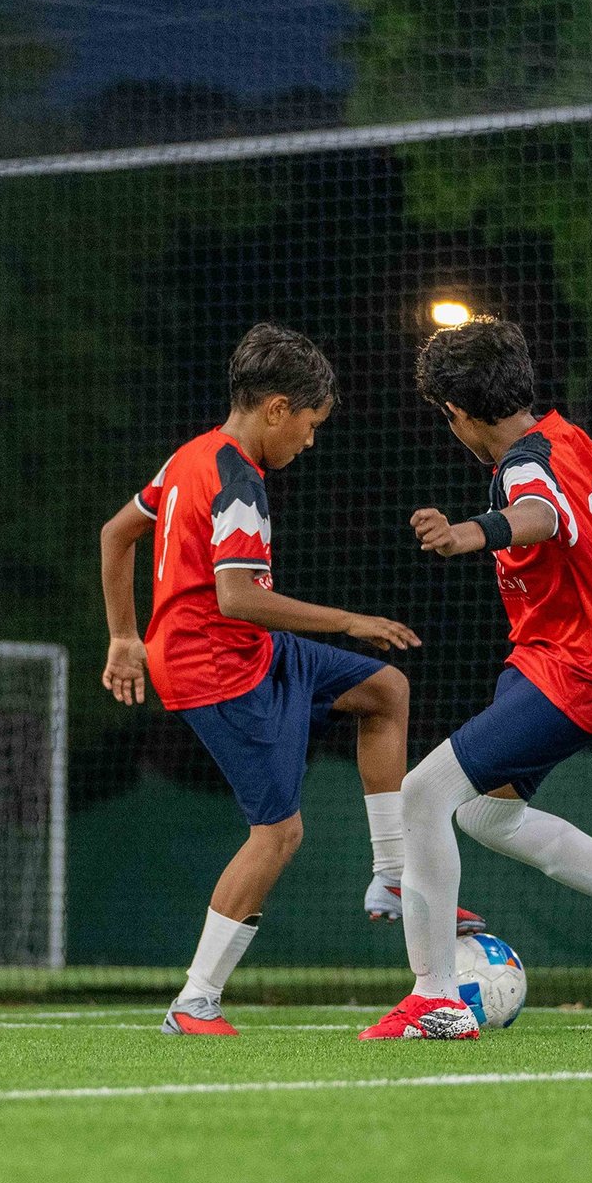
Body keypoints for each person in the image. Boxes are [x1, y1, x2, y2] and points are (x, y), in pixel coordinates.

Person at [361, 315, 592, 1041]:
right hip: (560, 661)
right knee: (482, 814)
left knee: (426, 794)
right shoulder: (575, 440)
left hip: (578, 669)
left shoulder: (523, 468)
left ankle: (434, 997)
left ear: (460, 416)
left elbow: (537, 512)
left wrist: (471, 531)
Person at [100, 322, 432, 1036]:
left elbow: (114, 533)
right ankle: (194, 1001)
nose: (308, 443)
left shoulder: (187, 458)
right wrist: (347, 619)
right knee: (278, 834)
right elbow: (237, 597)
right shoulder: (238, 481)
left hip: (252, 650)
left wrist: (126, 637)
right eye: (308, 426)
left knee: (386, 690)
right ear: (277, 408)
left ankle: (392, 874)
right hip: (213, 671)